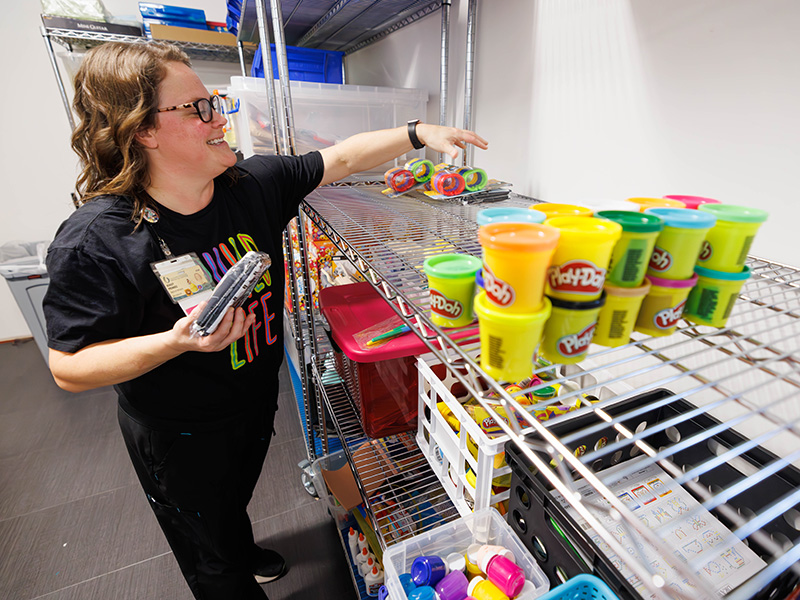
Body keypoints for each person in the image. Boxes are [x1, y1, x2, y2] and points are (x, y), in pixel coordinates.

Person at [43, 42, 488, 600]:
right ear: (143, 131)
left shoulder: (248, 188)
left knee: (234, 497)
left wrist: (420, 133)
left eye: (217, 102)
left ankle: (238, 542)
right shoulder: (98, 239)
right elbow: (69, 366)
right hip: (179, 431)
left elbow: (343, 159)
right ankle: (228, 564)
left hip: (251, 400)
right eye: (198, 109)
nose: (220, 118)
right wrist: (175, 342)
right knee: (210, 557)